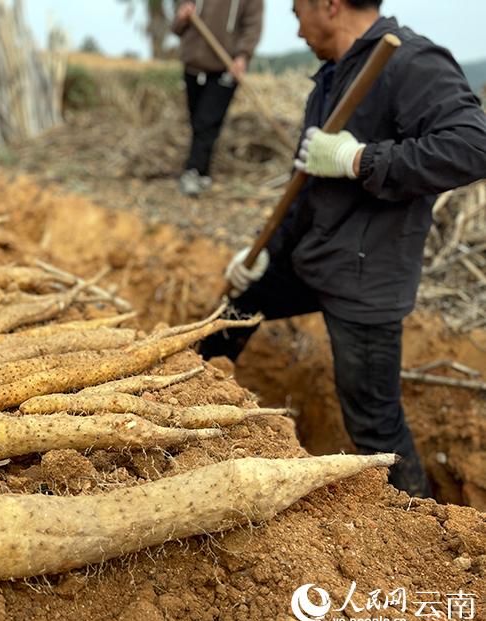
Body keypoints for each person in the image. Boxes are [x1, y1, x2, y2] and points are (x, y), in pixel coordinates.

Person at [197, 0, 486, 498]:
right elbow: (306, 185)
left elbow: (472, 146)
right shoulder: (333, 76)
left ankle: (421, 522)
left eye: (296, 11)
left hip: (367, 277)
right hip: (317, 254)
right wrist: (263, 253)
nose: (294, 25)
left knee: (374, 424)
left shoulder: (410, 62)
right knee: (236, 308)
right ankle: (193, 399)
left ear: (329, 6)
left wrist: (360, 159)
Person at [171, 0, 264, 197]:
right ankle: (203, 172)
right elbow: (176, 28)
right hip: (193, 66)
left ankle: (193, 171)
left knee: (207, 120)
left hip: (225, 68)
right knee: (197, 121)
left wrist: (243, 55)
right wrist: (182, 16)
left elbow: (253, 25)